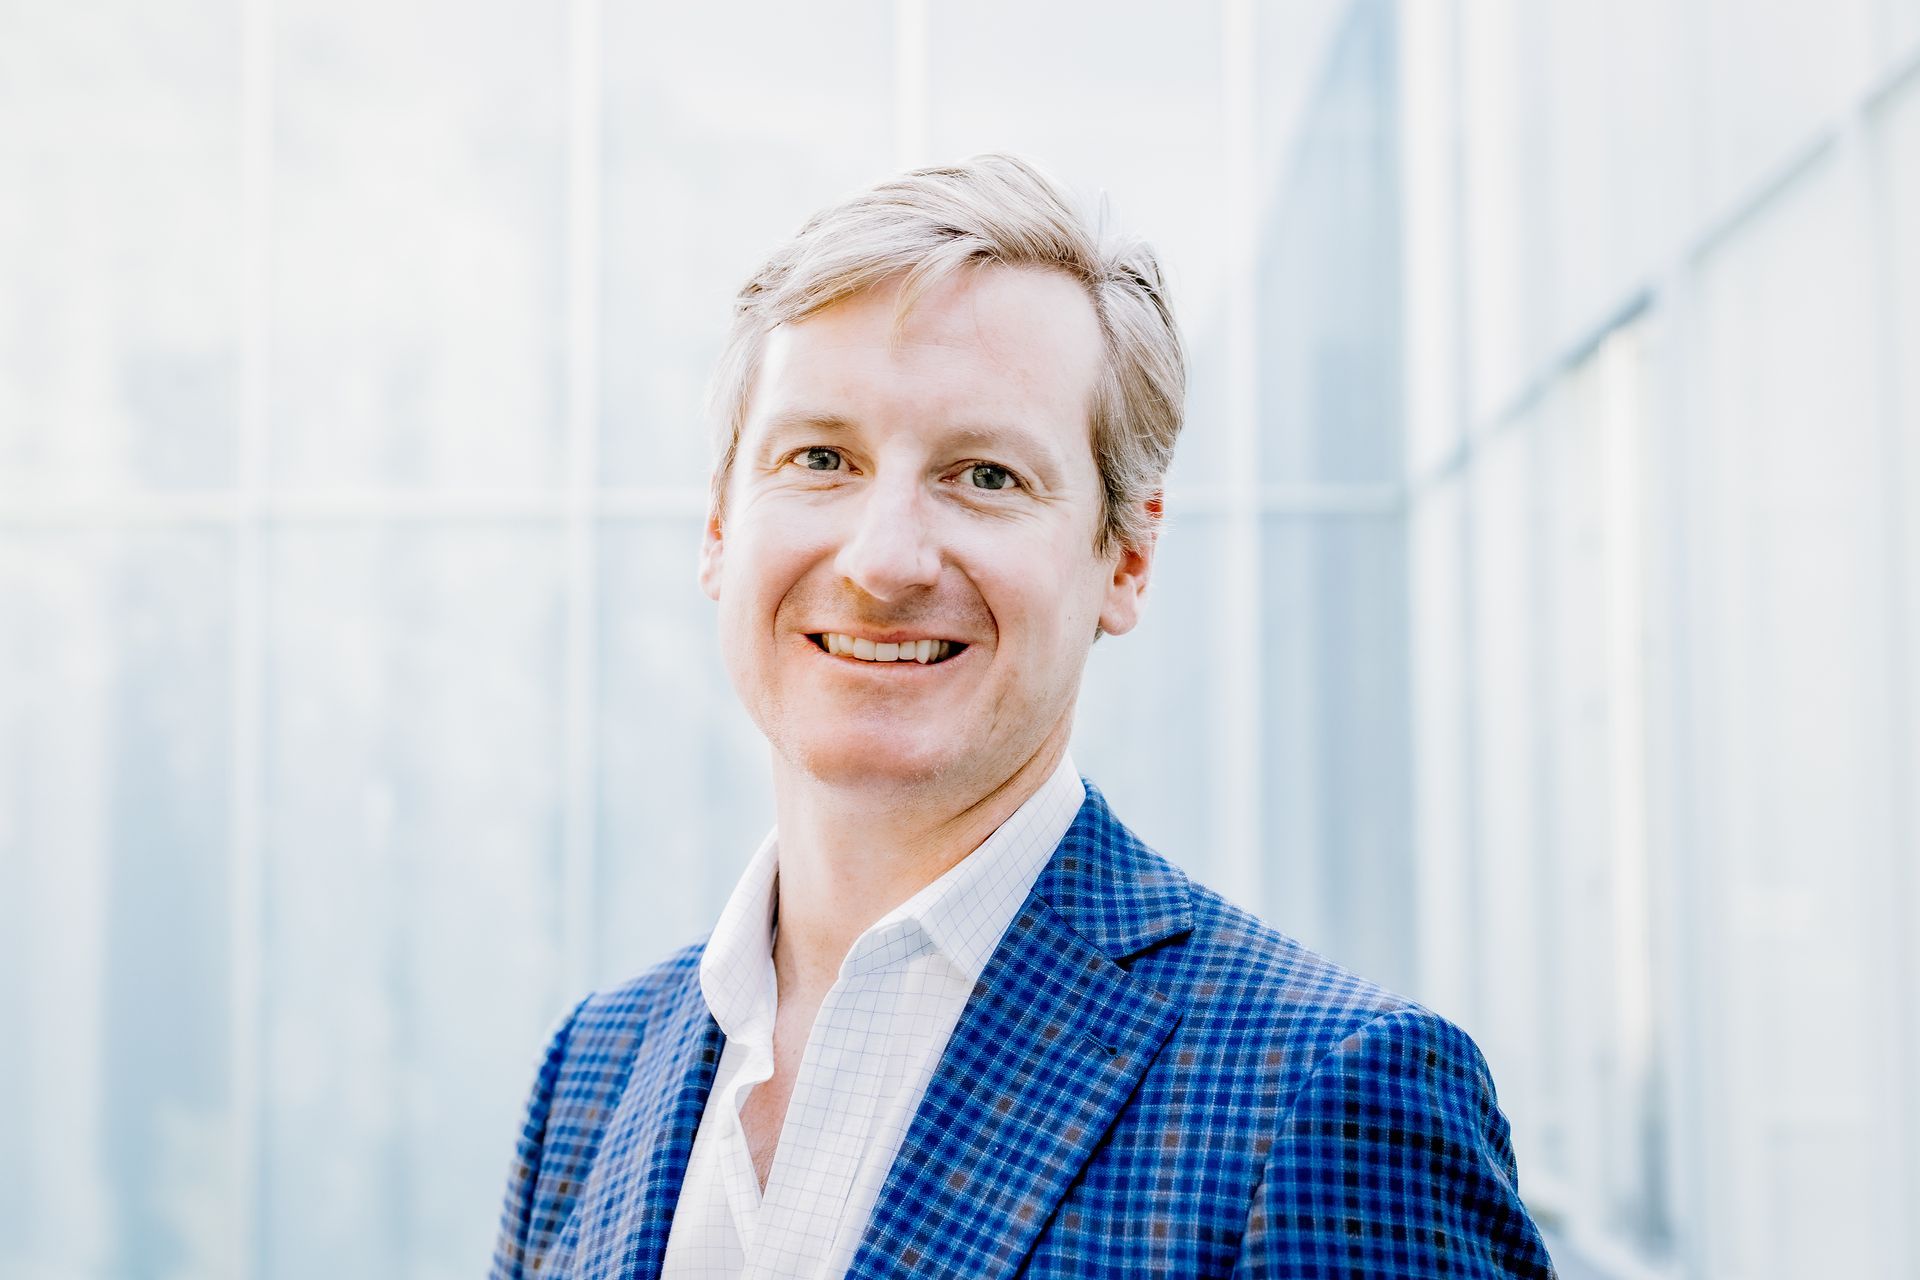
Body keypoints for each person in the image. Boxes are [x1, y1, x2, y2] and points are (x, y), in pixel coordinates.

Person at [489, 154, 1555, 1280]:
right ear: (719, 525)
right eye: (819, 457)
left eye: (985, 474)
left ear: (1127, 558)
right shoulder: (593, 1073)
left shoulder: (1330, 1097)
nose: (884, 559)